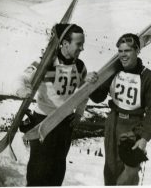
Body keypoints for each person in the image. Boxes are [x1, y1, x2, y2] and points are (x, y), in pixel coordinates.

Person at [16, 23, 97, 186]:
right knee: (38, 172)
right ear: (65, 43)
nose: (82, 48)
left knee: (57, 171)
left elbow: (84, 92)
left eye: (83, 44)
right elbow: (21, 78)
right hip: (43, 122)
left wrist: (79, 113)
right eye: (78, 44)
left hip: (65, 124)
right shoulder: (46, 62)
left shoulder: (80, 66)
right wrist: (22, 90)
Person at [90, 33, 151, 185]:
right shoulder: (113, 71)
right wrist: (91, 84)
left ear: (137, 51)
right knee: (110, 171)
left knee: (129, 174)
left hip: (133, 128)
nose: (123, 55)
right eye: (120, 51)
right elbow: (98, 97)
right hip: (113, 124)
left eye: (127, 51)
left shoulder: (148, 77)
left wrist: (144, 139)